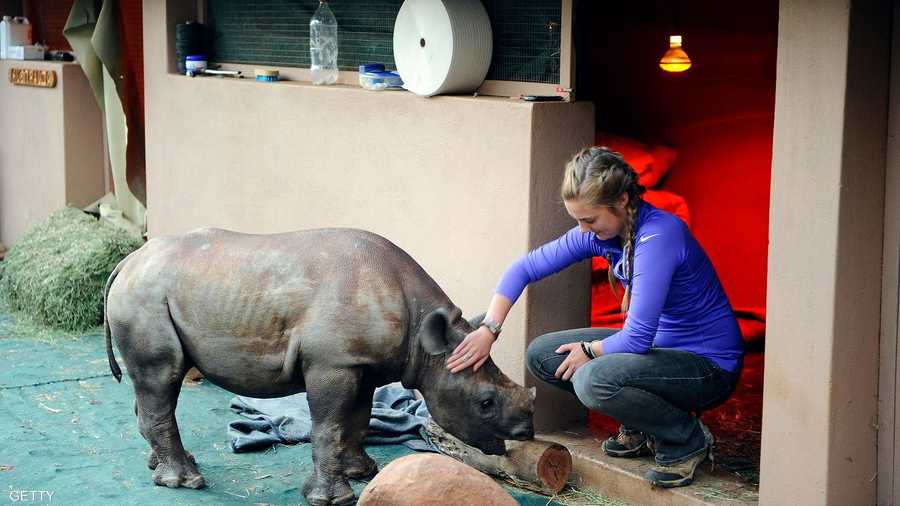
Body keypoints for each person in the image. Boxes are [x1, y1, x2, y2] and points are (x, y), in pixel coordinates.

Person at [446, 146, 744, 488]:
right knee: (542, 355)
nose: (583, 230)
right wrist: (489, 329)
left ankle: (685, 440)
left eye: (589, 220)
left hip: (707, 367)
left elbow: (637, 338)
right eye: (578, 220)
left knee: (593, 379)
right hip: (657, 354)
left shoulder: (659, 235)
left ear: (621, 202)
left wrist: (589, 351)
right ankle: (641, 425)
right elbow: (524, 268)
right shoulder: (605, 234)